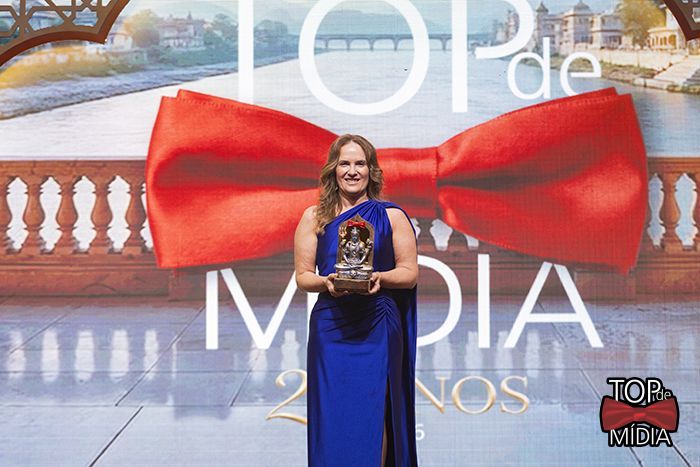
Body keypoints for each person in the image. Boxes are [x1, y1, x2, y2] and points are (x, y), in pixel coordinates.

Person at [294, 134, 419, 466]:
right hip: (331, 328)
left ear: (371, 170)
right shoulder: (313, 217)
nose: (352, 171)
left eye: (360, 163)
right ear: (333, 170)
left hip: (377, 326)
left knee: (375, 412)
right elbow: (303, 276)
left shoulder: (392, 216)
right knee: (333, 415)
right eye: (345, 163)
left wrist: (380, 277)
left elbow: (409, 273)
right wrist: (326, 282)